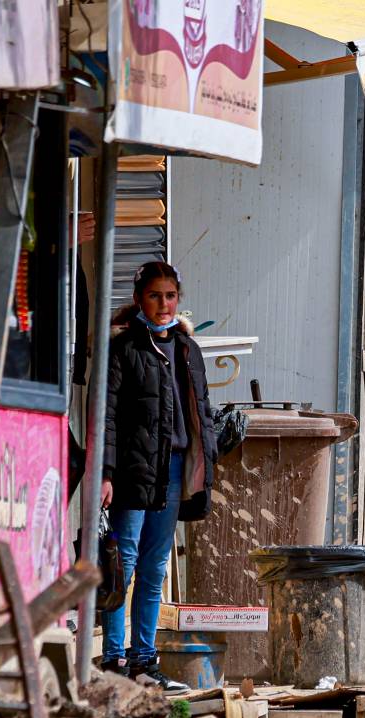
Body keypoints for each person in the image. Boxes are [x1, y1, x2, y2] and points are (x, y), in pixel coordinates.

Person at [100, 261, 218, 690]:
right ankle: (113, 658)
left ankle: (143, 661)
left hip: (172, 471)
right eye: (155, 295)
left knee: (154, 568)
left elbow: (198, 411)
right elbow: (107, 416)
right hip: (132, 472)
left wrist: (212, 452)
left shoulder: (187, 348)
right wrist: (106, 473)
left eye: (170, 296)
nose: (163, 304)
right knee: (122, 566)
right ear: (139, 300)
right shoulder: (124, 348)